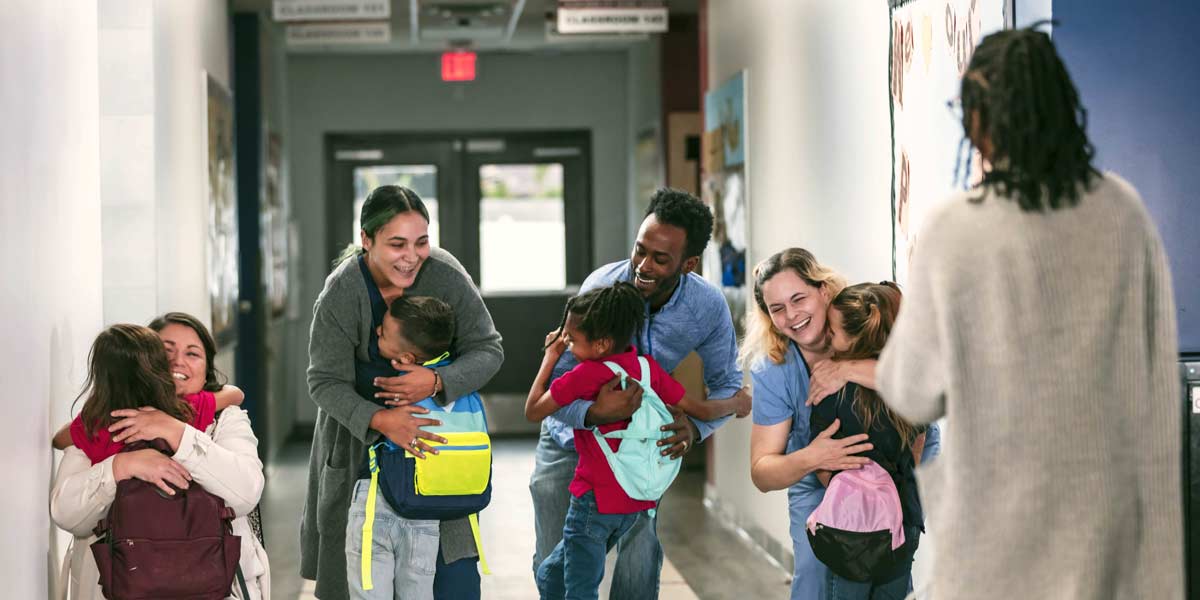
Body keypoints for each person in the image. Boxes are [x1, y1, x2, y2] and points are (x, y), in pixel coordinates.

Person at [875, 24, 1183, 599]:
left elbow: (910, 391)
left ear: (977, 121)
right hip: (1105, 528)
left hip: (997, 535)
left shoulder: (955, 229)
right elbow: (1159, 386)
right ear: (1062, 108)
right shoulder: (1121, 211)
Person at [529, 188, 750, 598]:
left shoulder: (706, 306)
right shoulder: (603, 287)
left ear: (689, 263)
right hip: (569, 443)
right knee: (557, 569)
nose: (642, 266)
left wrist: (696, 430)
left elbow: (726, 386)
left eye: (659, 259)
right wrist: (593, 413)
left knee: (637, 563)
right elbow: (552, 388)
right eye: (639, 250)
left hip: (637, 451)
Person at [303, 184, 503, 600]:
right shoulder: (342, 292)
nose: (411, 256)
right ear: (366, 240)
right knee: (364, 583)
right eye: (397, 244)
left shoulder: (445, 275)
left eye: (421, 242)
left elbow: (488, 349)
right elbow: (324, 382)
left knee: (451, 582)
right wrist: (381, 420)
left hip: (436, 452)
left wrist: (436, 381)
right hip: (361, 458)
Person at [742, 248, 939, 600]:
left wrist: (847, 369)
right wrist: (814, 458)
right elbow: (762, 472)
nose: (791, 315)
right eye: (777, 309)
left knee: (889, 566)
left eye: (798, 298)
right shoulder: (775, 370)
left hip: (898, 467)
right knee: (816, 578)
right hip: (816, 473)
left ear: (824, 290)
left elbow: (929, 385)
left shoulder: (861, 319)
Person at [527, 282, 731, 599]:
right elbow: (701, 409)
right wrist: (737, 403)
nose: (567, 346)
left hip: (592, 502)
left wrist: (550, 357)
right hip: (633, 506)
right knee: (551, 573)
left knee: (580, 588)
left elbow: (533, 410)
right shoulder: (647, 369)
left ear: (601, 344)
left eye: (573, 341)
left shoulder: (586, 374)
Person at [51, 316, 270, 600]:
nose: (178, 361)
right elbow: (67, 513)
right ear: (143, 362)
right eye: (166, 351)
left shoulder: (223, 420)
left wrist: (174, 430)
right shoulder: (108, 421)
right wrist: (122, 466)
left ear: (206, 370)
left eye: (193, 353)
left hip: (216, 588)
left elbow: (245, 493)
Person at [810, 282, 924, 600]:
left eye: (833, 330)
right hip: (902, 522)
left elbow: (821, 460)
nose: (827, 337)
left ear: (856, 337)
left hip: (849, 530)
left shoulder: (829, 387)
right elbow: (919, 440)